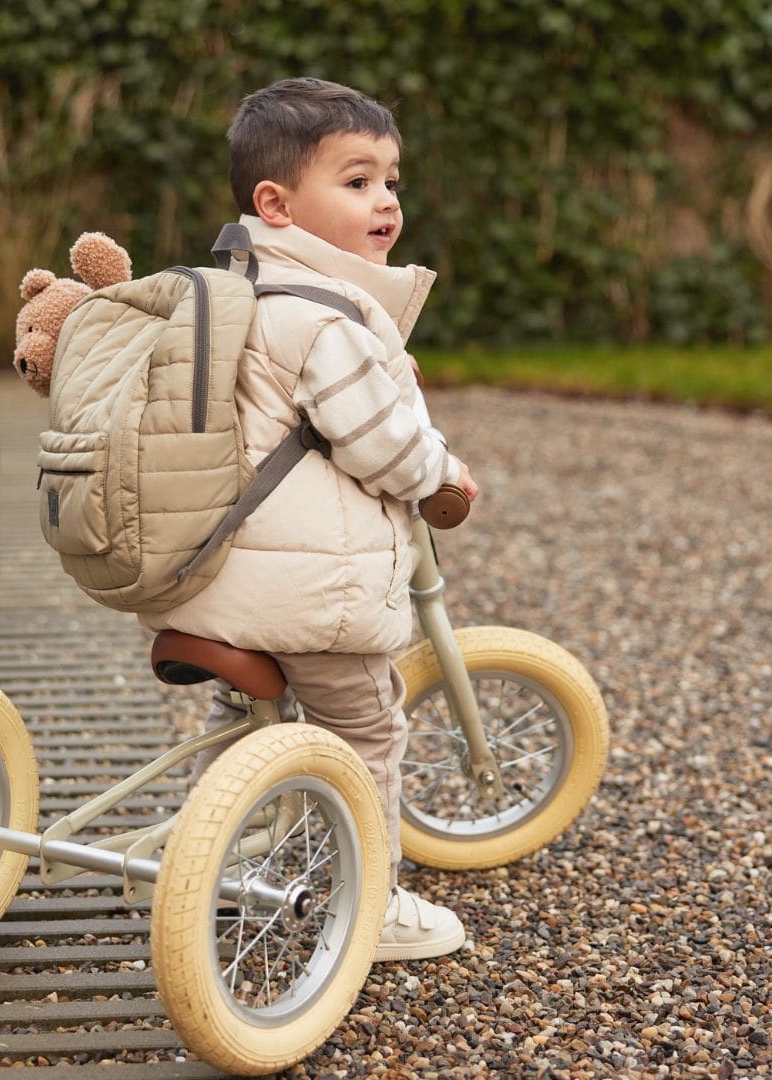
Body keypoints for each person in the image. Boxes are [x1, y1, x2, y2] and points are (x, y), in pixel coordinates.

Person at [142, 77, 479, 960]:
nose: (387, 201)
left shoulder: (229, 295)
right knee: (366, 730)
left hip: (211, 585)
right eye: (359, 180)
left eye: (392, 181)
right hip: (315, 607)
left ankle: (214, 850)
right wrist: (444, 472)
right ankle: (368, 900)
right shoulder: (329, 320)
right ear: (276, 205)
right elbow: (384, 445)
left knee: (241, 716)